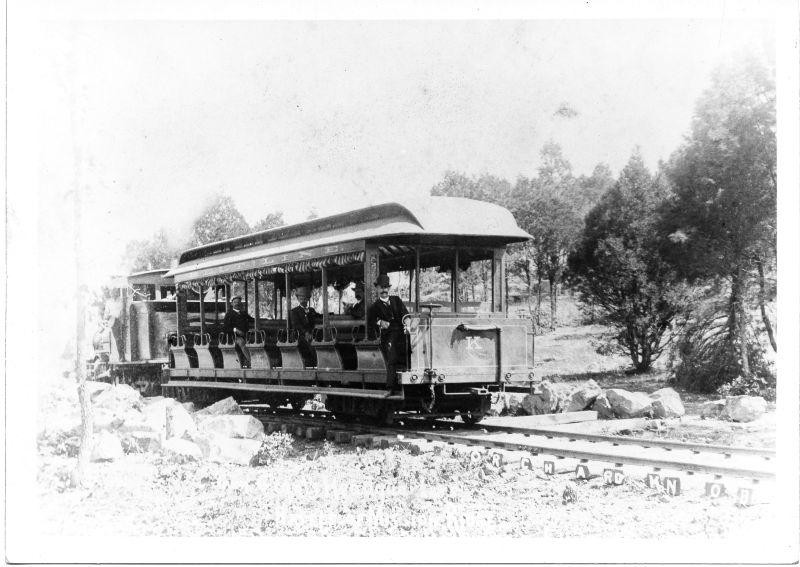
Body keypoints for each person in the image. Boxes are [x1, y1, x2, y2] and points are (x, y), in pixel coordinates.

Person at [367, 274, 409, 386]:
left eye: (386, 287)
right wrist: (380, 322)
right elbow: (370, 321)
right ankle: (391, 384)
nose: (384, 290)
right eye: (381, 287)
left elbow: (405, 315)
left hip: (401, 332)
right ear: (377, 289)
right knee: (392, 351)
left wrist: (408, 322)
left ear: (389, 288)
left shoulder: (397, 300)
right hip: (387, 335)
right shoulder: (374, 307)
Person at [289, 286, 320, 366]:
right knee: (310, 342)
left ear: (308, 299)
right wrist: (306, 332)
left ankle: (319, 362)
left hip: (311, 334)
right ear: (298, 299)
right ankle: (315, 362)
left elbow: (319, 317)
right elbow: (296, 324)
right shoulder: (294, 311)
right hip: (299, 335)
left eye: (305, 298)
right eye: (301, 298)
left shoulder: (311, 310)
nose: (303, 300)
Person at [223, 296, 254, 367]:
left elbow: (252, 320)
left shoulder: (243, 313)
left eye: (238, 302)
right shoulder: (229, 314)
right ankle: (251, 361)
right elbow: (226, 328)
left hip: (245, 335)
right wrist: (235, 330)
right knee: (242, 343)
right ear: (232, 304)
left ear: (241, 304)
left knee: (253, 341)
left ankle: (248, 361)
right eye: (235, 302)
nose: (237, 304)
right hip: (232, 336)